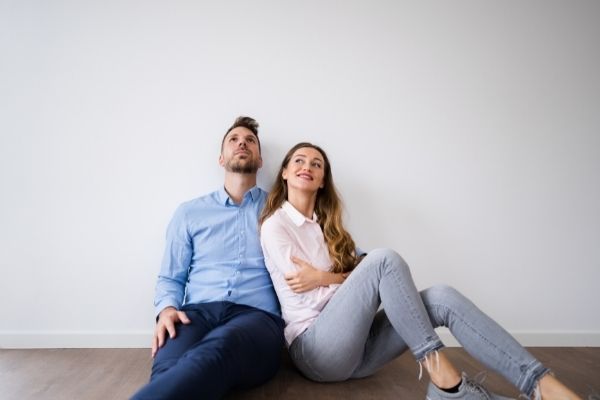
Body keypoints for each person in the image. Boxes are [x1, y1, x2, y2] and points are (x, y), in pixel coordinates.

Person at [259, 142, 582, 400]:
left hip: (360, 348)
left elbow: (354, 274)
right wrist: (347, 281)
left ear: (323, 180)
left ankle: (541, 384)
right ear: (285, 173)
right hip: (317, 352)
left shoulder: (329, 229)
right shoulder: (276, 226)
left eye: (317, 164)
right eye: (299, 161)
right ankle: (444, 380)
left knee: (441, 296)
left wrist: (327, 277)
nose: (308, 167)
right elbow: (312, 292)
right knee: (385, 260)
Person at [131, 117, 284, 400]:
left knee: (222, 346)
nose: (242, 143)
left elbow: (322, 242)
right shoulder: (189, 213)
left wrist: (352, 263)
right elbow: (170, 277)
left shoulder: (281, 210)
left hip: (257, 318)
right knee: (167, 367)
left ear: (260, 160)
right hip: (195, 315)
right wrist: (166, 310)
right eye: (234, 140)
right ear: (221, 158)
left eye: (250, 141)